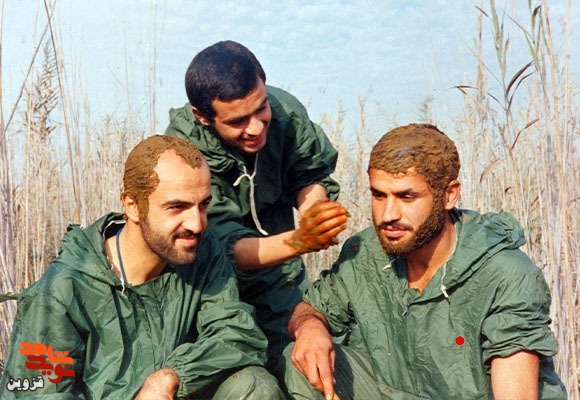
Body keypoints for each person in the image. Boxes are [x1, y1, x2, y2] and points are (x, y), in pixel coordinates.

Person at [282, 124, 567, 399]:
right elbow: (309, 309)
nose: (388, 215)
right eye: (379, 195)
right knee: (303, 362)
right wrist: (310, 328)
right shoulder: (364, 252)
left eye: (407, 197)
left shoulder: (506, 274)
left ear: (449, 195)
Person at [0, 135, 284, 399]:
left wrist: (170, 377)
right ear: (133, 206)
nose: (197, 224)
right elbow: (34, 393)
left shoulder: (202, 254)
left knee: (254, 386)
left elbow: (238, 334)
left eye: (203, 205)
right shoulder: (61, 292)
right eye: (177, 207)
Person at [165, 40, 348, 369]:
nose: (255, 127)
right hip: (212, 284)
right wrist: (301, 240)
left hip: (280, 275)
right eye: (237, 121)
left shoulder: (286, 112)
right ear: (202, 116)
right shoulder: (183, 148)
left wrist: (315, 215)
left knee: (305, 362)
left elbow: (309, 174)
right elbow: (224, 246)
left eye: (261, 108)